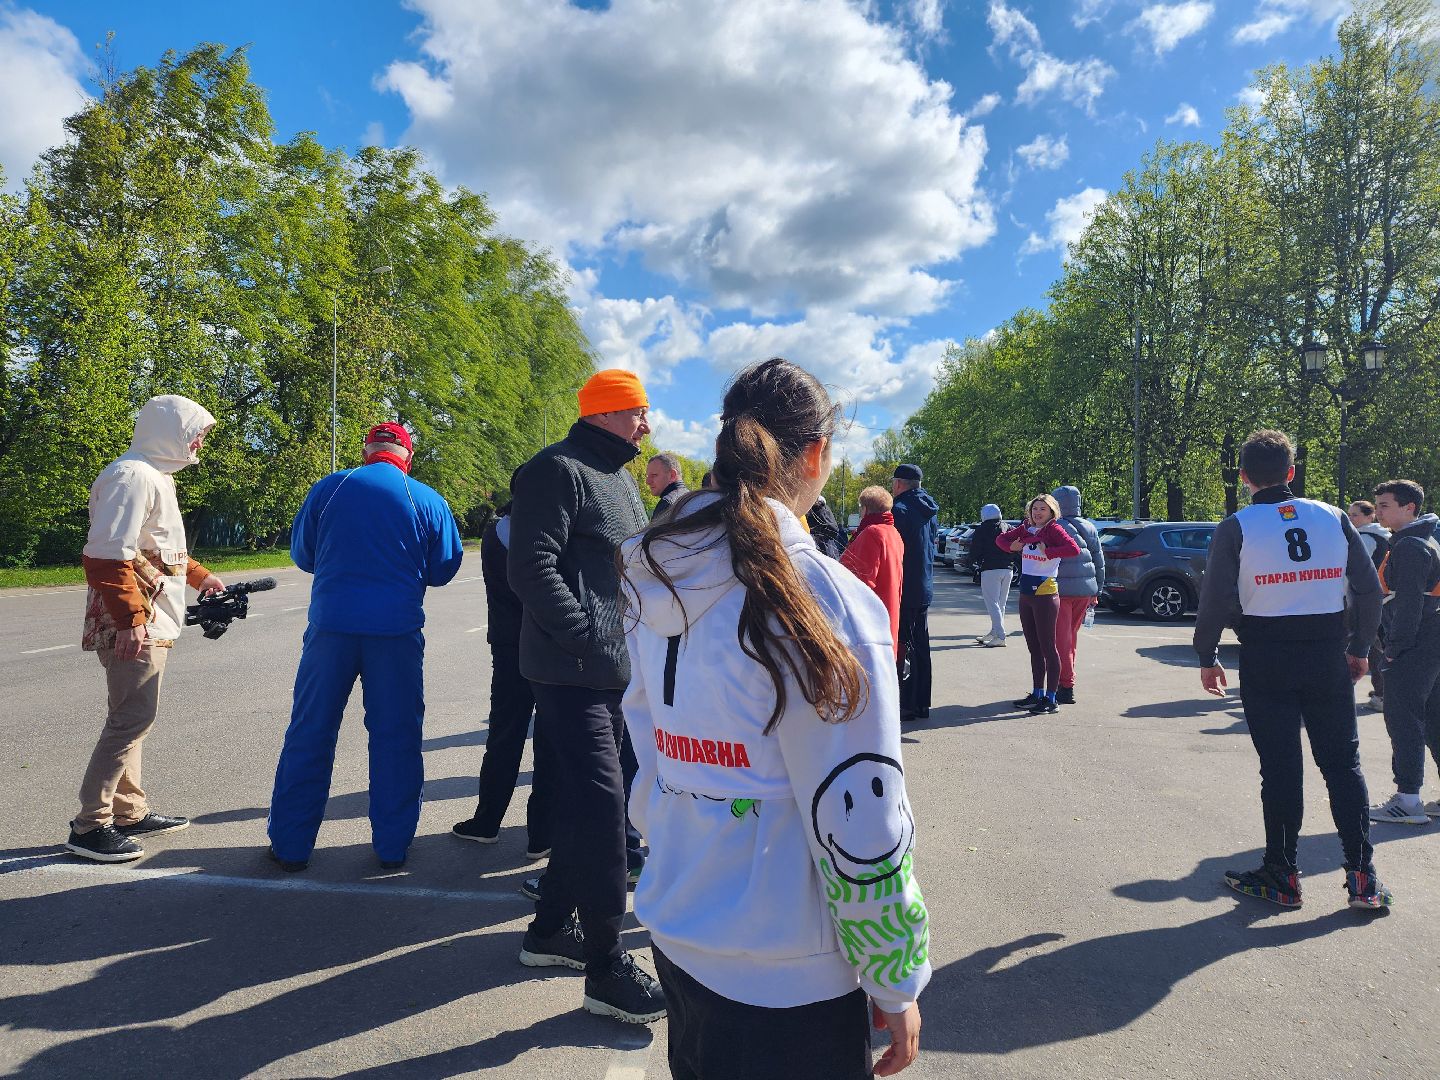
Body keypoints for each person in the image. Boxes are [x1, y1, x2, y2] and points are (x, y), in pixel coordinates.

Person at [620, 357, 929, 1080]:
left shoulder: (657, 571)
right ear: (815, 455)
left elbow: (647, 746)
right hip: (790, 970)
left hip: (679, 921)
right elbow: (861, 813)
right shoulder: (824, 598)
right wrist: (895, 977)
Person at [507, 368, 665, 1025]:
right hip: (571, 674)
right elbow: (530, 565)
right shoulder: (556, 469)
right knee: (605, 815)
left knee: (589, 807)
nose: (646, 425)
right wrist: (583, 637)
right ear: (604, 412)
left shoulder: (621, 479)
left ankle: (549, 932)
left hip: (613, 674)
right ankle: (605, 968)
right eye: (637, 412)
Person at [1193, 429, 1391, 911]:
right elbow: (1368, 589)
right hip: (1326, 651)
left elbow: (1216, 597)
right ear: (1291, 472)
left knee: (1280, 768)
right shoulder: (1333, 516)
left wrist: (1207, 655)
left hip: (1266, 654)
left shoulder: (1236, 526)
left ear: (1244, 477)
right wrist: (1360, 647)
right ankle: (1362, 876)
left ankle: (1282, 873)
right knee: (1343, 765)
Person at [267, 423, 464, 872]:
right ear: (407, 457)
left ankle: (291, 845)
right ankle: (392, 846)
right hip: (395, 633)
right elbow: (443, 569)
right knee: (396, 736)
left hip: (331, 629)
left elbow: (304, 556)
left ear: (366, 451)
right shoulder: (426, 498)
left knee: (310, 732)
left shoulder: (330, 488)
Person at [68, 395, 224, 862]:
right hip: (134, 620)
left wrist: (199, 576)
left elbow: (157, 548)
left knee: (132, 718)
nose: (199, 443)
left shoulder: (155, 476)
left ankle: (129, 811)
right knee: (130, 720)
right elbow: (105, 555)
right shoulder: (131, 476)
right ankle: (90, 826)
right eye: (195, 434)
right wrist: (130, 620)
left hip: (147, 616)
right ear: (170, 431)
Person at [451, 474, 553, 859]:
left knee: (504, 735)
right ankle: (541, 833)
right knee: (549, 739)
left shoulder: (496, 532)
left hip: (508, 645)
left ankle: (487, 821)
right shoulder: (550, 533)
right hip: (549, 645)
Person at [1366, 480, 1440, 826]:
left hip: (1415, 645)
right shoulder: (1424, 538)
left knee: (1404, 720)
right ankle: (1411, 799)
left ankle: (1408, 801)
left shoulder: (1410, 545)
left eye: (1384, 505)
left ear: (1409, 508)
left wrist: (1394, 650)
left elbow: (1409, 603)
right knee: (1433, 718)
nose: (1377, 512)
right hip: (1430, 641)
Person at [997, 496, 1080, 715]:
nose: (1038, 512)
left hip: (1045, 594)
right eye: (1035, 508)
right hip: (1026, 594)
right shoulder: (1026, 528)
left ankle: (1051, 699)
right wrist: (1011, 547)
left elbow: (1074, 549)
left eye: (1043, 509)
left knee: (1048, 648)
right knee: (1034, 648)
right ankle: (1037, 693)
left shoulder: (1054, 530)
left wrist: (1049, 551)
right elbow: (1000, 540)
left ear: (1052, 512)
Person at [891, 464, 938, 722]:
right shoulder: (929, 509)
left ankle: (906, 704)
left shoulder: (899, 510)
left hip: (905, 585)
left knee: (904, 646)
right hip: (923, 585)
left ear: (899, 484)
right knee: (920, 646)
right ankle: (921, 703)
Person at [1051, 486, 1105, 705]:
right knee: (1071, 638)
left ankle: (1065, 685)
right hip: (1085, 591)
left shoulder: (1054, 526)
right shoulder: (1089, 527)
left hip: (1060, 591)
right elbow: (1099, 561)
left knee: (1060, 640)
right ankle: (1064, 681)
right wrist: (1097, 590)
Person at [839, 486, 904, 658]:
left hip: (870, 625)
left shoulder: (871, 533)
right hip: (888, 614)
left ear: (865, 509)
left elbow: (860, 583)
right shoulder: (893, 532)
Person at [1348, 499, 1392, 711]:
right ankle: (1382, 693)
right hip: (1382, 599)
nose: (1351, 519)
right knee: (1376, 647)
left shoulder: (1364, 538)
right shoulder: (1385, 537)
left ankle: (1380, 694)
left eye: (1355, 515)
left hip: (1364, 600)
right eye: (1349, 514)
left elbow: (1354, 571)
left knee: (1364, 646)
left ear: (1369, 516)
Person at [970, 504, 1014, 647]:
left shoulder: (982, 529)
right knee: (1001, 603)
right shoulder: (1008, 527)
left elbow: (975, 550)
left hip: (990, 569)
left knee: (992, 603)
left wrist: (974, 562)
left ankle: (1000, 635)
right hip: (1008, 569)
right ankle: (994, 631)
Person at [646, 452, 689, 521]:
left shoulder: (668, 503)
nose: (647, 482)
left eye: (654, 475)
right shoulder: (692, 499)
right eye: (647, 476)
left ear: (672, 475)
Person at [807, 494, 848, 558]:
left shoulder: (816, 510)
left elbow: (833, 530)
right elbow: (834, 530)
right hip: (829, 550)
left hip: (821, 550)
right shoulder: (825, 509)